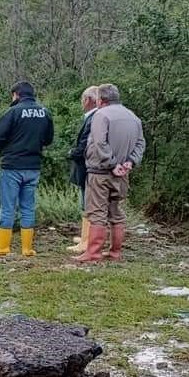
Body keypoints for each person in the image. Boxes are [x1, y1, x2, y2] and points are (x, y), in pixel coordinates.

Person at [0, 81, 54, 261]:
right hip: (33, 166)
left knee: (7, 207)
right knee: (28, 207)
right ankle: (27, 248)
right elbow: (48, 139)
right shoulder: (45, 112)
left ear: (16, 94)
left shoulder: (13, 112)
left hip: (12, 166)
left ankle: (2, 247)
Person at [74, 84, 145, 263]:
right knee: (116, 211)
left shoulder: (101, 115)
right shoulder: (133, 117)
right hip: (123, 173)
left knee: (97, 212)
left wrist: (112, 164)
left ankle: (93, 253)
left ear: (101, 99)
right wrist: (130, 162)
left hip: (100, 172)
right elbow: (140, 143)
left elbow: (99, 143)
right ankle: (115, 252)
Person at [66, 86, 100, 254]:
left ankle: (87, 241)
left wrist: (72, 153)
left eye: (82, 99)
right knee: (87, 203)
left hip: (87, 167)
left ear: (88, 100)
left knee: (87, 204)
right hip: (89, 167)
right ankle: (86, 236)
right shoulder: (96, 117)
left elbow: (84, 144)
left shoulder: (93, 118)